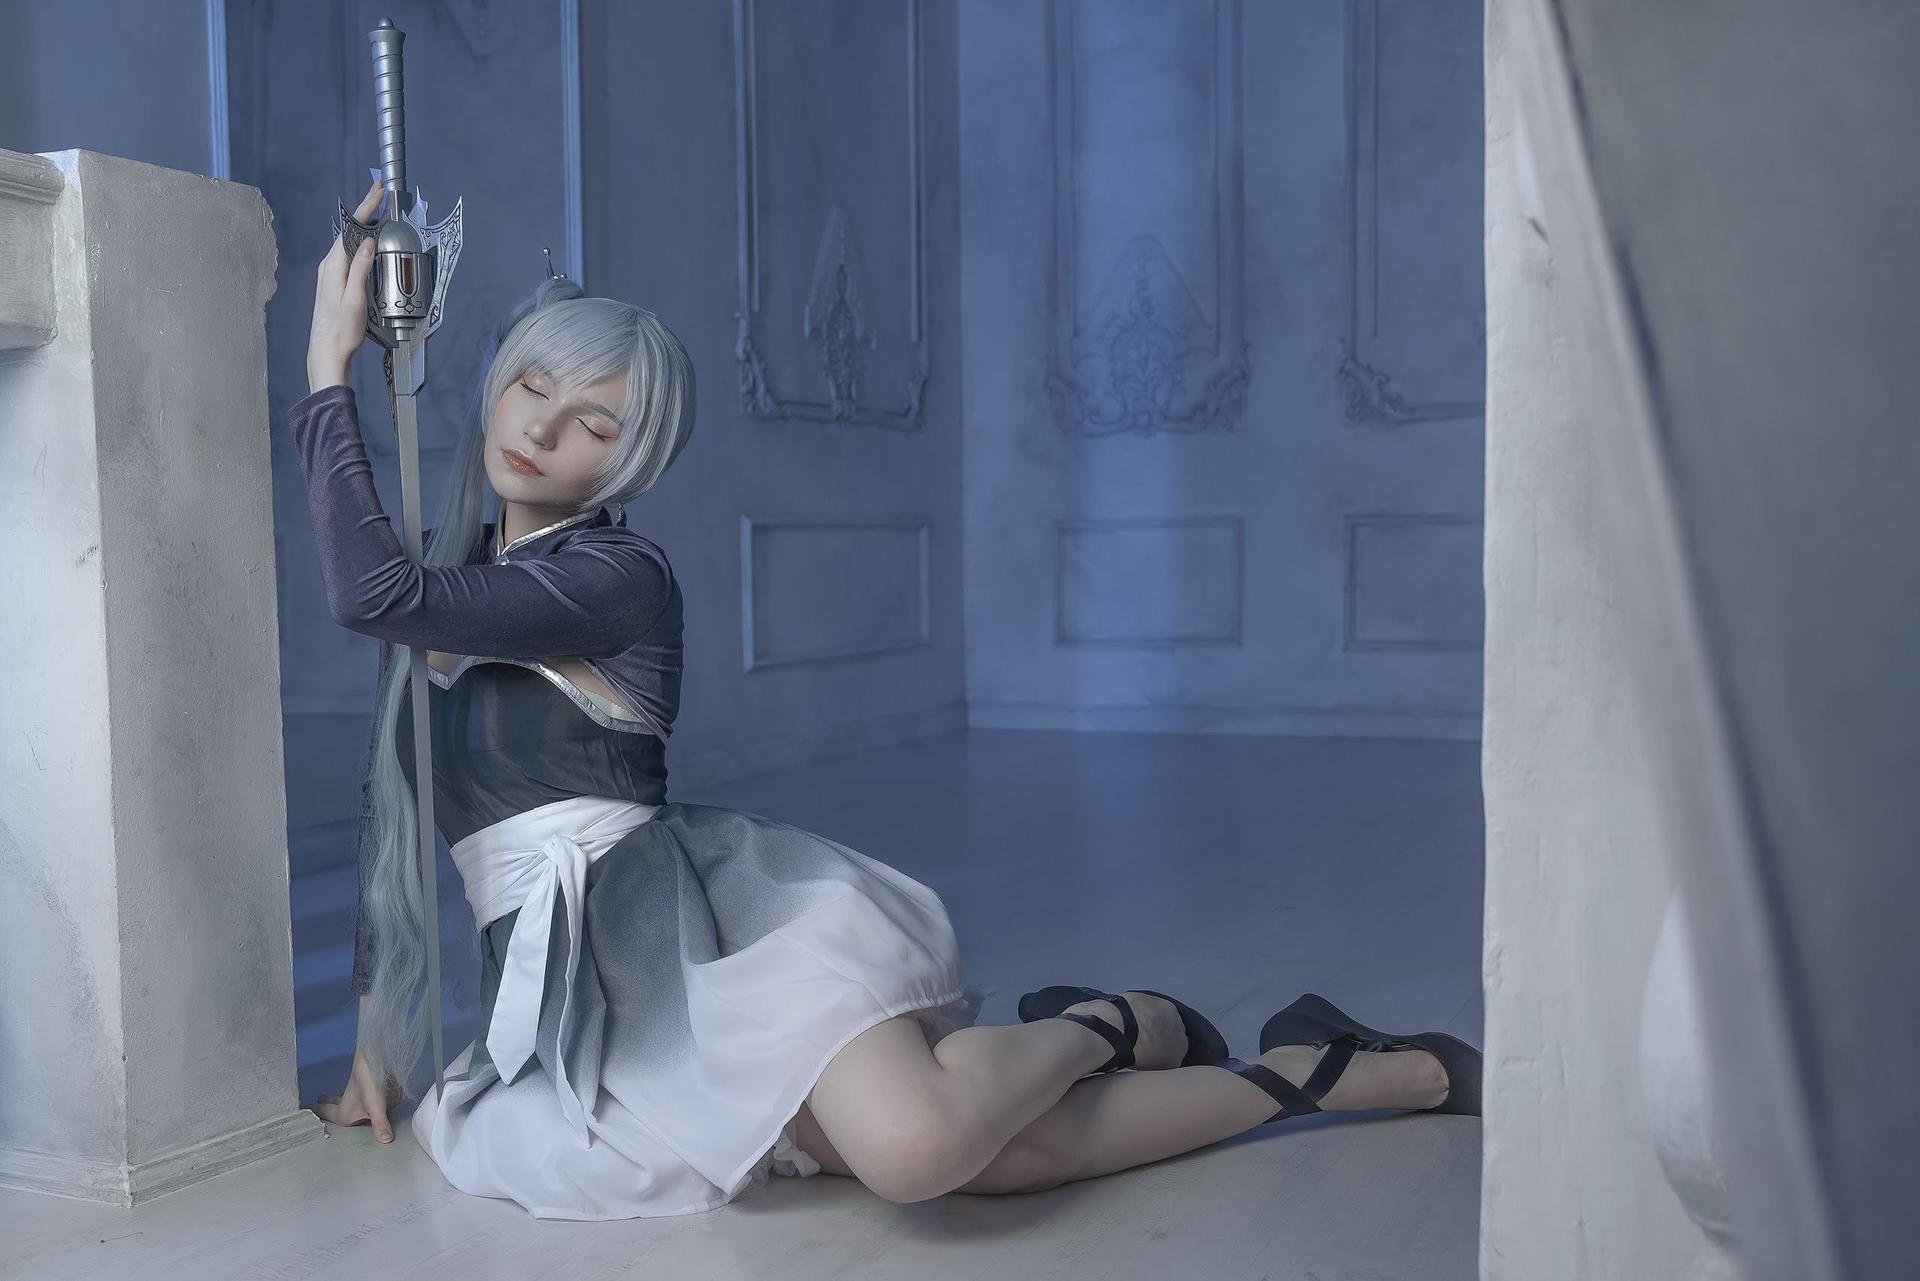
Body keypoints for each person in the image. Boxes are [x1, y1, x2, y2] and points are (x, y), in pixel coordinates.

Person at [302, 179, 1482, 1221]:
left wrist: (328, 369)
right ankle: (1304, 1061)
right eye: (533, 389)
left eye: (593, 424)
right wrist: (374, 1049)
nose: (543, 430)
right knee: (990, 1162)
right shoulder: (452, 599)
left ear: (630, 462)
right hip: (592, 999)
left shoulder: (616, 576)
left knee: (917, 1150)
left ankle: (1125, 1027)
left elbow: (369, 589)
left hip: (698, 935)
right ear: (500, 383)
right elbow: (390, 822)